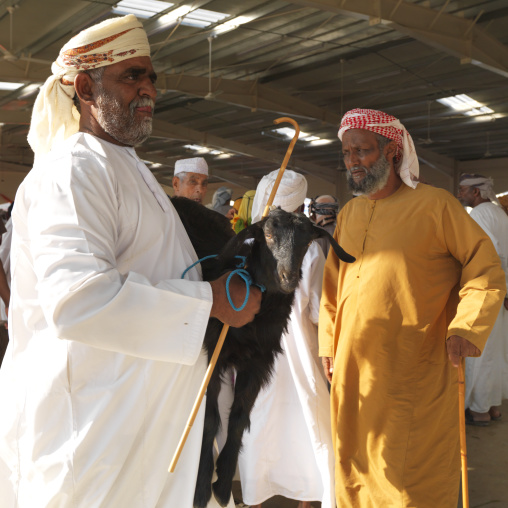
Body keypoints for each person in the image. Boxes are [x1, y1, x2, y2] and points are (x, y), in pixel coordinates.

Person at [0, 15, 261, 508]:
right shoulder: (73, 171)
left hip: (137, 424)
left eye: (151, 78)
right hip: (92, 432)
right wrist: (210, 302)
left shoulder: (126, 166)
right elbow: (79, 301)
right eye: (131, 77)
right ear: (83, 87)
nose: (148, 91)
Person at [319, 108, 506, 508]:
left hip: (410, 369)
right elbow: (332, 286)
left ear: (392, 152)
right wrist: (327, 344)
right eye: (347, 152)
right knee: (353, 465)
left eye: (362, 151)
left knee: (407, 478)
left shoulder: (436, 206)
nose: (352, 161)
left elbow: (485, 267)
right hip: (353, 369)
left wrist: (466, 328)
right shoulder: (349, 214)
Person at [237, 169, 335, 508]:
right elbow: (319, 310)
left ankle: (255, 497)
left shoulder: (247, 245)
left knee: (257, 419)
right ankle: (309, 498)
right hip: (297, 353)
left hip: (255, 351)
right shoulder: (309, 250)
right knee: (305, 417)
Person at [457, 173, 508, 425]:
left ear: (476, 193)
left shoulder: (478, 215)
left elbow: (488, 255)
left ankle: (479, 409)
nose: (459, 194)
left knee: (479, 350)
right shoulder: (500, 214)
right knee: (496, 349)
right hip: (501, 291)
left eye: (463, 190)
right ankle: (493, 406)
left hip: (485, 288)